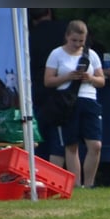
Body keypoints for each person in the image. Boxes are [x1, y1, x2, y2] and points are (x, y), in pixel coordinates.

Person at [44, 19, 105, 188]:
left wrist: (90, 78)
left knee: (96, 145)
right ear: (67, 37)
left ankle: (89, 184)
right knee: (71, 144)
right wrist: (67, 77)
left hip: (89, 99)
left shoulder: (91, 55)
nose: (77, 44)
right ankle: (77, 185)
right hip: (67, 101)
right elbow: (48, 81)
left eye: (81, 41)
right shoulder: (56, 54)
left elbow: (101, 81)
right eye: (74, 40)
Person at [28, 9, 68, 167]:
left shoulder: (29, 34)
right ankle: (56, 175)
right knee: (59, 140)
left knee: (39, 138)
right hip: (61, 93)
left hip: (38, 92)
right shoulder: (63, 30)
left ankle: (41, 173)